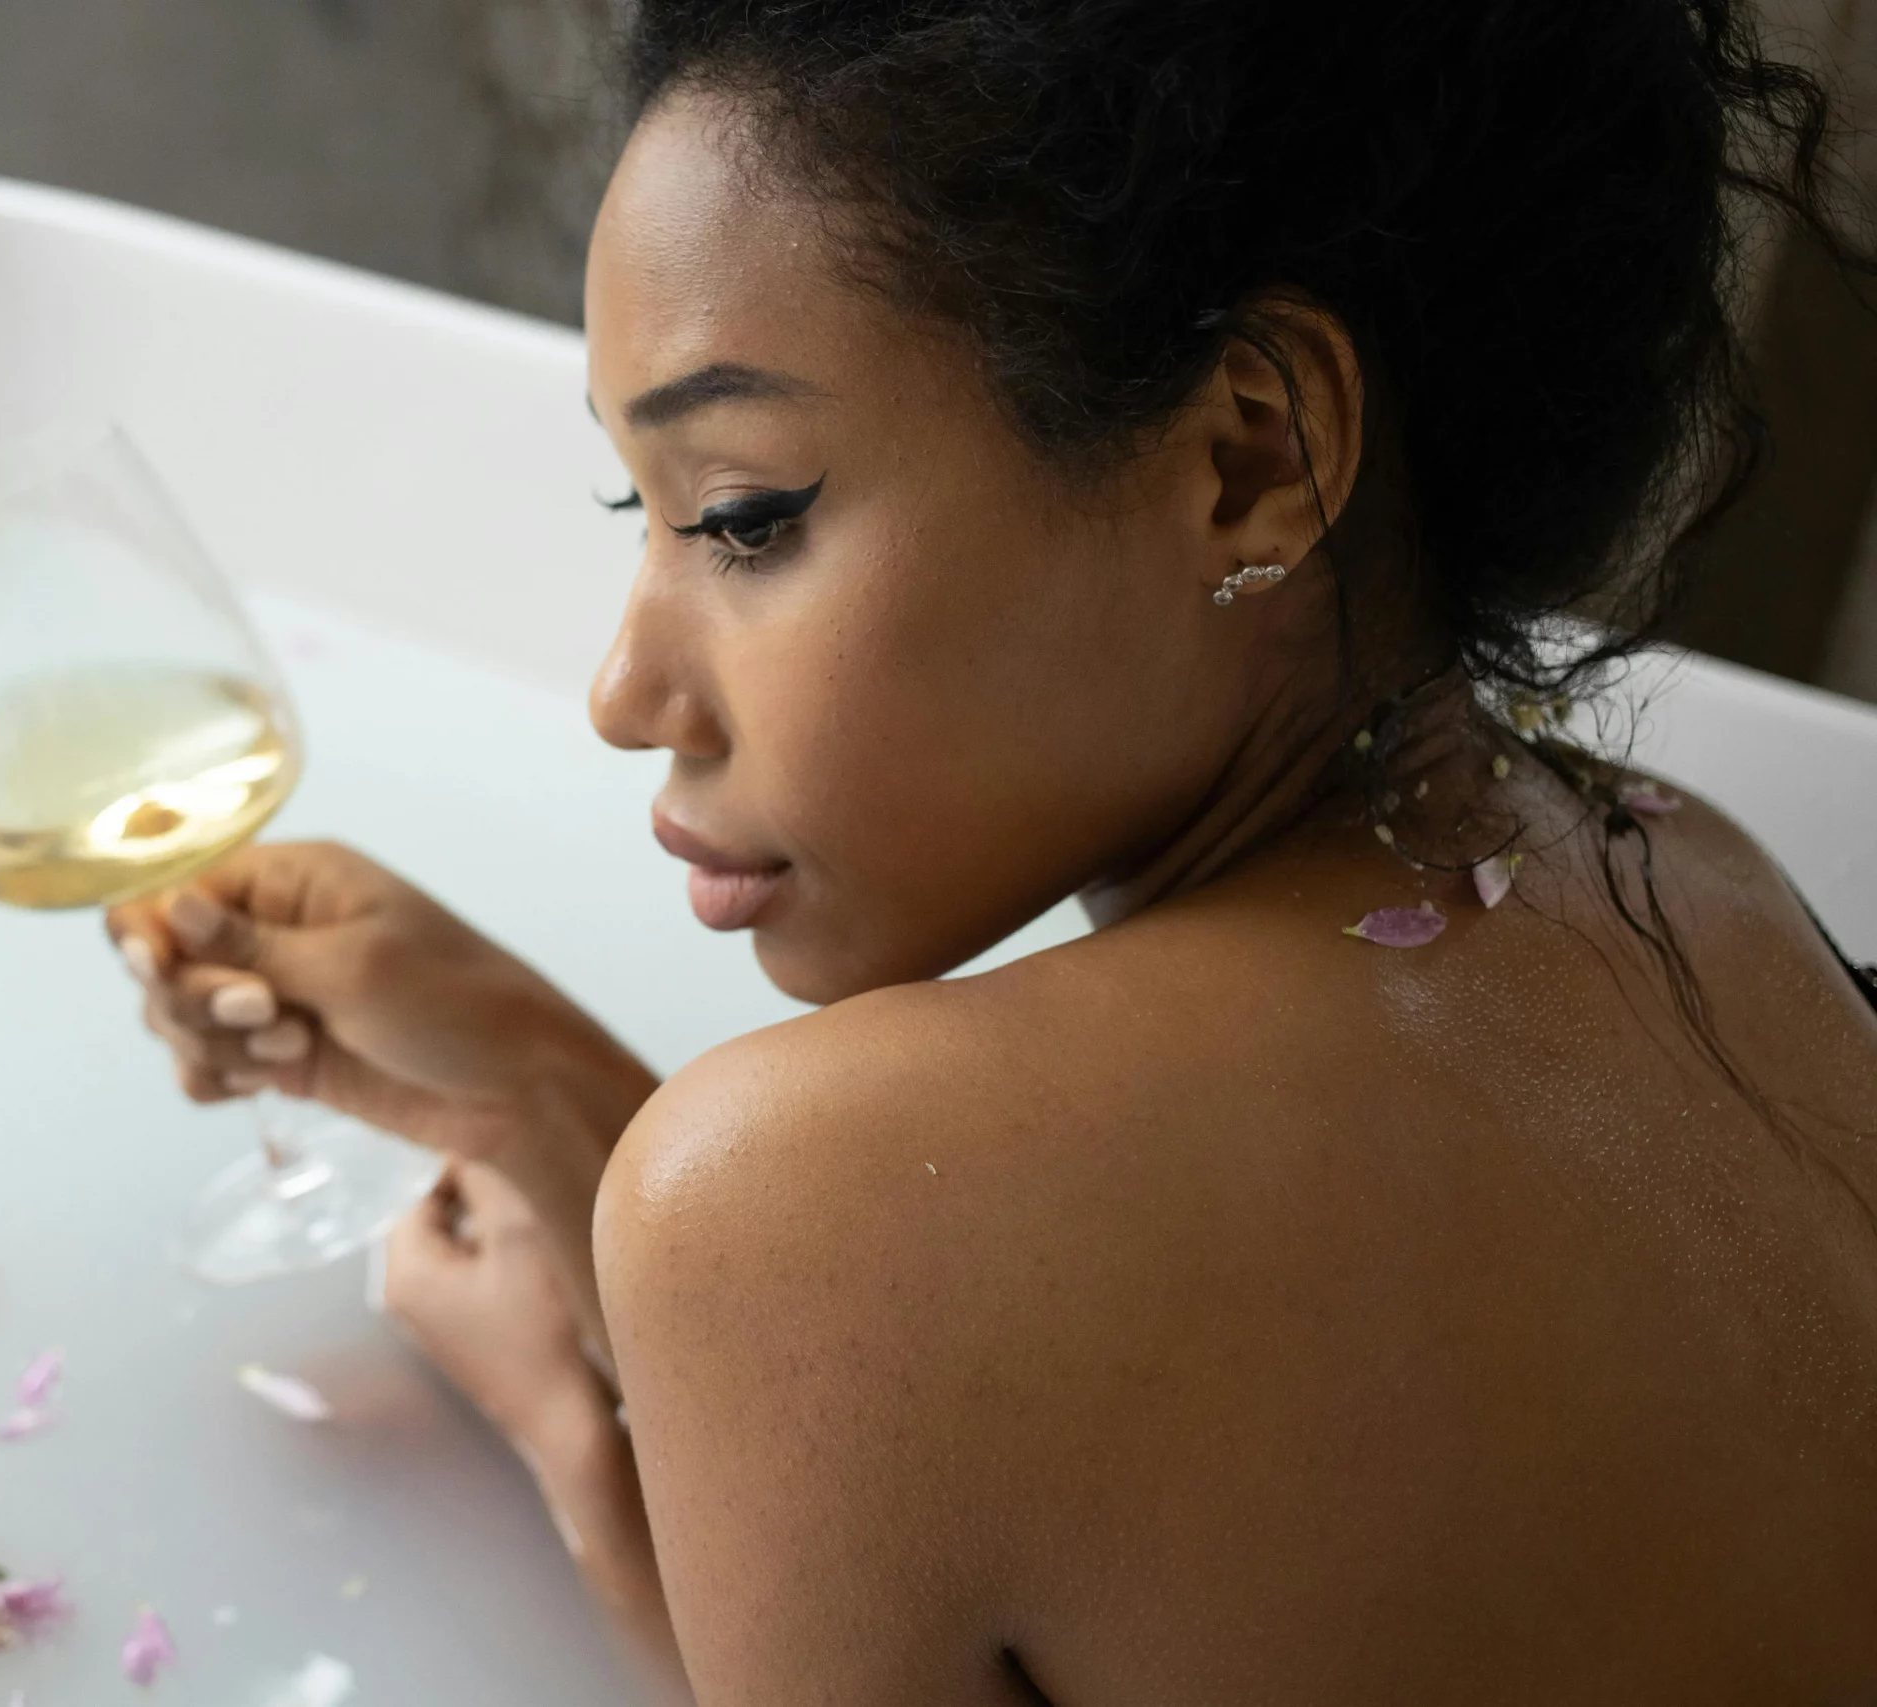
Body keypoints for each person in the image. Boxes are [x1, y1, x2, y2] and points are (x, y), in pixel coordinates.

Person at [109, 1, 1877, 1698]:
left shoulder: (812, 1204)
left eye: (744, 515)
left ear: (1249, 457)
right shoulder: (1716, 890)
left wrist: (574, 1445)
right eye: (631, 510)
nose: (625, 690)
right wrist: (541, 1094)